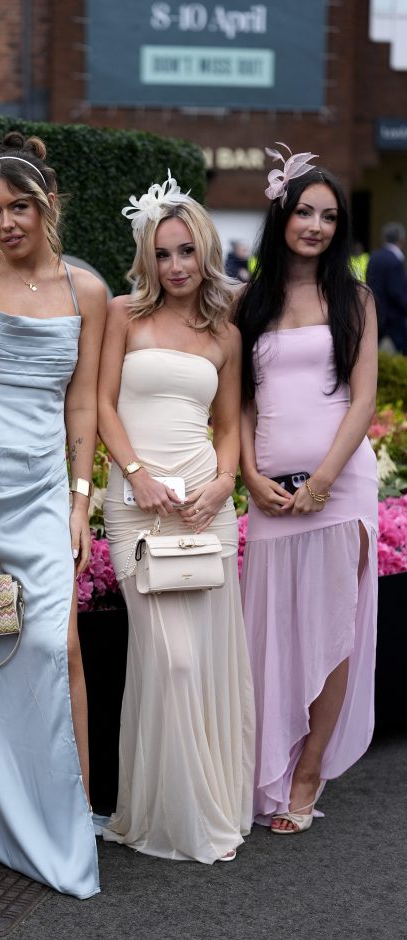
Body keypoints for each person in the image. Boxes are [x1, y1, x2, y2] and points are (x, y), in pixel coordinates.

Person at [0, 131, 106, 898]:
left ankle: (70, 814)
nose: (5, 222)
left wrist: (79, 502)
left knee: (53, 644)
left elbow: (82, 404)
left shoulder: (87, 292)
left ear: (47, 204)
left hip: (43, 493)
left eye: (18, 207)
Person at [97, 171, 255, 864]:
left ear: (205, 251)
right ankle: (167, 812)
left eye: (186, 251)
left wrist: (223, 484)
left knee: (207, 658)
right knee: (172, 661)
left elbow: (229, 426)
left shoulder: (225, 333)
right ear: (147, 258)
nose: (175, 266)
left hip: (202, 509)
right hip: (137, 508)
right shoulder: (122, 314)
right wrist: (135, 473)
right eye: (162, 254)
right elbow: (101, 405)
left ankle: (201, 805)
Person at [235, 146, 378, 833]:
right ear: (281, 216)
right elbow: (239, 402)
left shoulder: (355, 299)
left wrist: (323, 480)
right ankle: (267, 761)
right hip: (270, 492)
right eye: (304, 213)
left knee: (331, 630)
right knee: (270, 631)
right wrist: (248, 475)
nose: (315, 226)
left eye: (328, 216)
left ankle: (307, 771)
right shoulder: (248, 300)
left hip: (339, 488)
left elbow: (363, 398)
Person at [366, 221, 407, 354]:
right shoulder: (395, 260)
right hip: (393, 317)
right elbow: (397, 292)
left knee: (372, 351)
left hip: (376, 313)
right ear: (401, 239)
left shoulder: (374, 256)